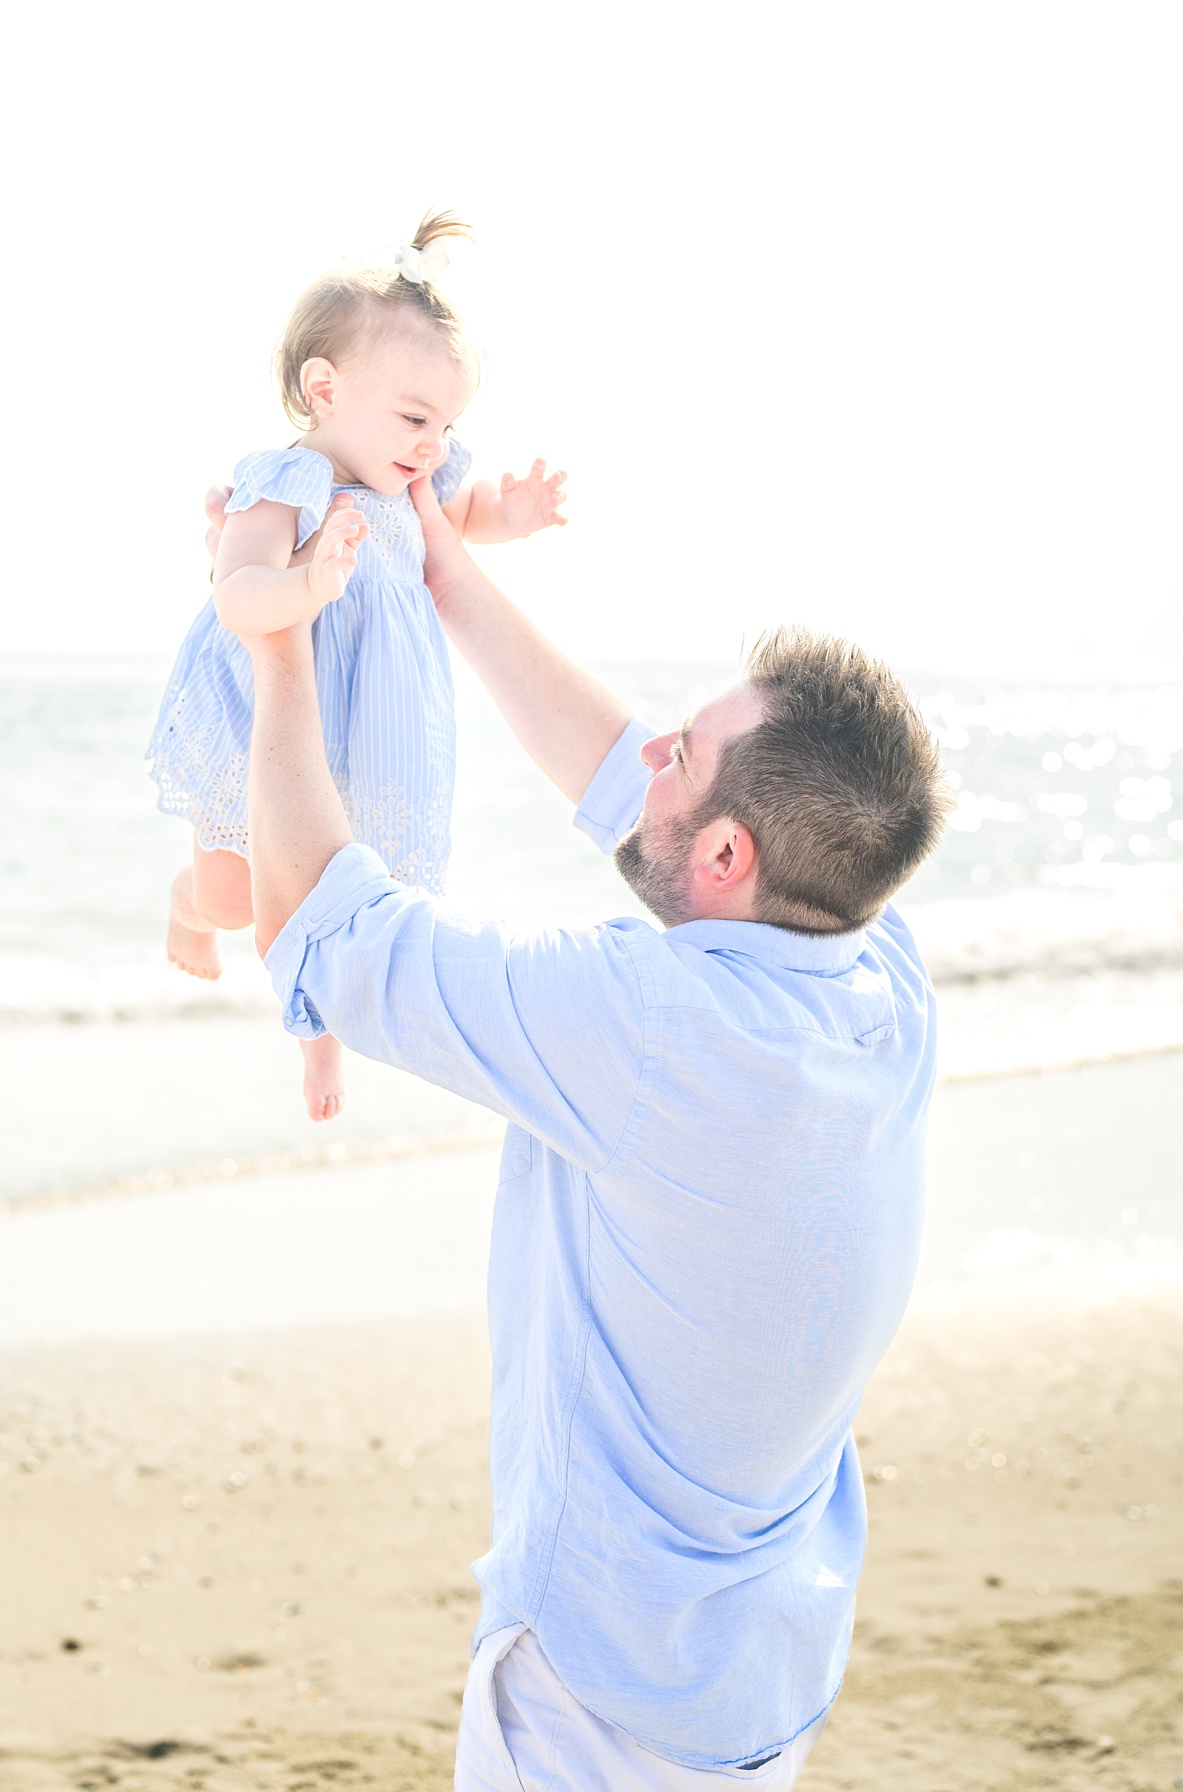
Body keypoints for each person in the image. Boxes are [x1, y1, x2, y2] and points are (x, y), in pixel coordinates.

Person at [212, 470, 949, 1787]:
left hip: (601, 1697)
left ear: (729, 861)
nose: (650, 755)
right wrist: (437, 556)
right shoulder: (875, 971)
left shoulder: (652, 1032)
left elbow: (337, 926)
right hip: (758, 1670)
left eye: (685, 751)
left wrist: (274, 653)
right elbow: (627, 785)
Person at [150, 211, 568, 1118]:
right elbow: (237, 589)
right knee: (237, 896)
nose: (432, 443)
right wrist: (303, 585)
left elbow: (464, 515)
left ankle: (320, 1047)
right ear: (326, 388)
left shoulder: (415, 482)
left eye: (447, 423)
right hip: (265, 724)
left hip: (374, 725)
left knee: (345, 884)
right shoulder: (284, 482)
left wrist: (516, 511)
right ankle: (187, 906)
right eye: (415, 417)